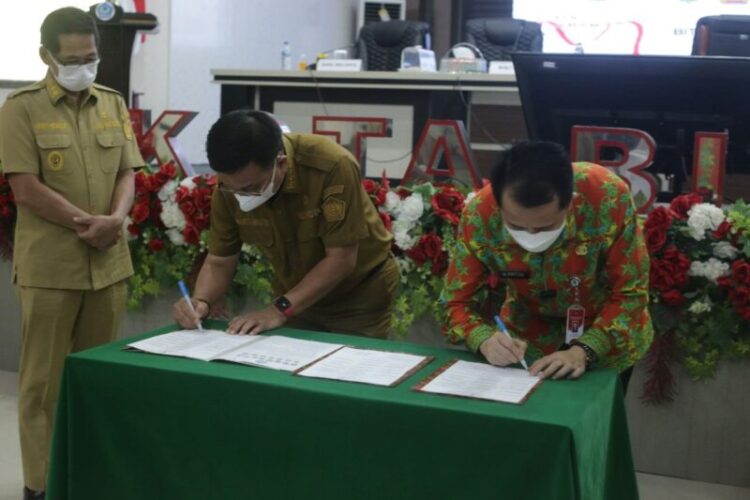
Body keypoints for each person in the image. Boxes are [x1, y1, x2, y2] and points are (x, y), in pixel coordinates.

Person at [0, 7, 143, 499]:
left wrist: (117, 220)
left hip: (107, 266)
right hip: (50, 268)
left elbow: (128, 172)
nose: (85, 66)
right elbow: (25, 187)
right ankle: (40, 487)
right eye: (73, 59)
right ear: (46, 56)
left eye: (92, 56)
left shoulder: (112, 103)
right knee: (43, 387)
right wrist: (88, 224)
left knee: (95, 381)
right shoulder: (21, 107)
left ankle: (87, 479)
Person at [441, 141, 653, 389]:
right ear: (498, 205)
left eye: (544, 227)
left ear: (570, 202)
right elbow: (455, 302)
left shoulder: (606, 196)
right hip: (524, 348)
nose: (531, 234)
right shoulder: (480, 214)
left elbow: (631, 293)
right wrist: (484, 339)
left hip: (605, 340)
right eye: (517, 226)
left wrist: (584, 350)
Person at [173, 110, 398, 338]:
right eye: (231, 187)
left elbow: (341, 259)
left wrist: (277, 311)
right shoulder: (231, 185)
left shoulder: (331, 166)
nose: (239, 195)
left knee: (347, 368)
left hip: (358, 295)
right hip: (296, 295)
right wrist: (201, 301)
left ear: (281, 163)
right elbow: (220, 260)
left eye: (250, 188)